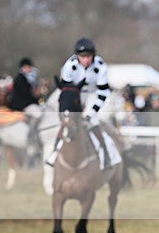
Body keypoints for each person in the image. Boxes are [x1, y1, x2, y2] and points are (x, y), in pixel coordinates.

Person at [47, 38, 117, 170]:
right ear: (77, 56)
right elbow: (66, 90)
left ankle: (105, 156)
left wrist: (91, 112)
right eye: (82, 56)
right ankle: (54, 151)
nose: (86, 60)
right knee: (67, 121)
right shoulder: (69, 65)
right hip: (75, 93)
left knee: (93, 121)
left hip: (93, 94)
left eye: (89, 56)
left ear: (93, 56)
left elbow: (103, 92)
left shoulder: (100, 66)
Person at [8, 57, 42, 138]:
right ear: (22, 68)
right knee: (38, 113)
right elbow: (27, 95)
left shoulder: (28, 79)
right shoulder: (20, 79)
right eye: (26, 67)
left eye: (29, 67)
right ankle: (31, 134)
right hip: (21, 105)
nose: (28, 69)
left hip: (26, 103)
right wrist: (36, 98)